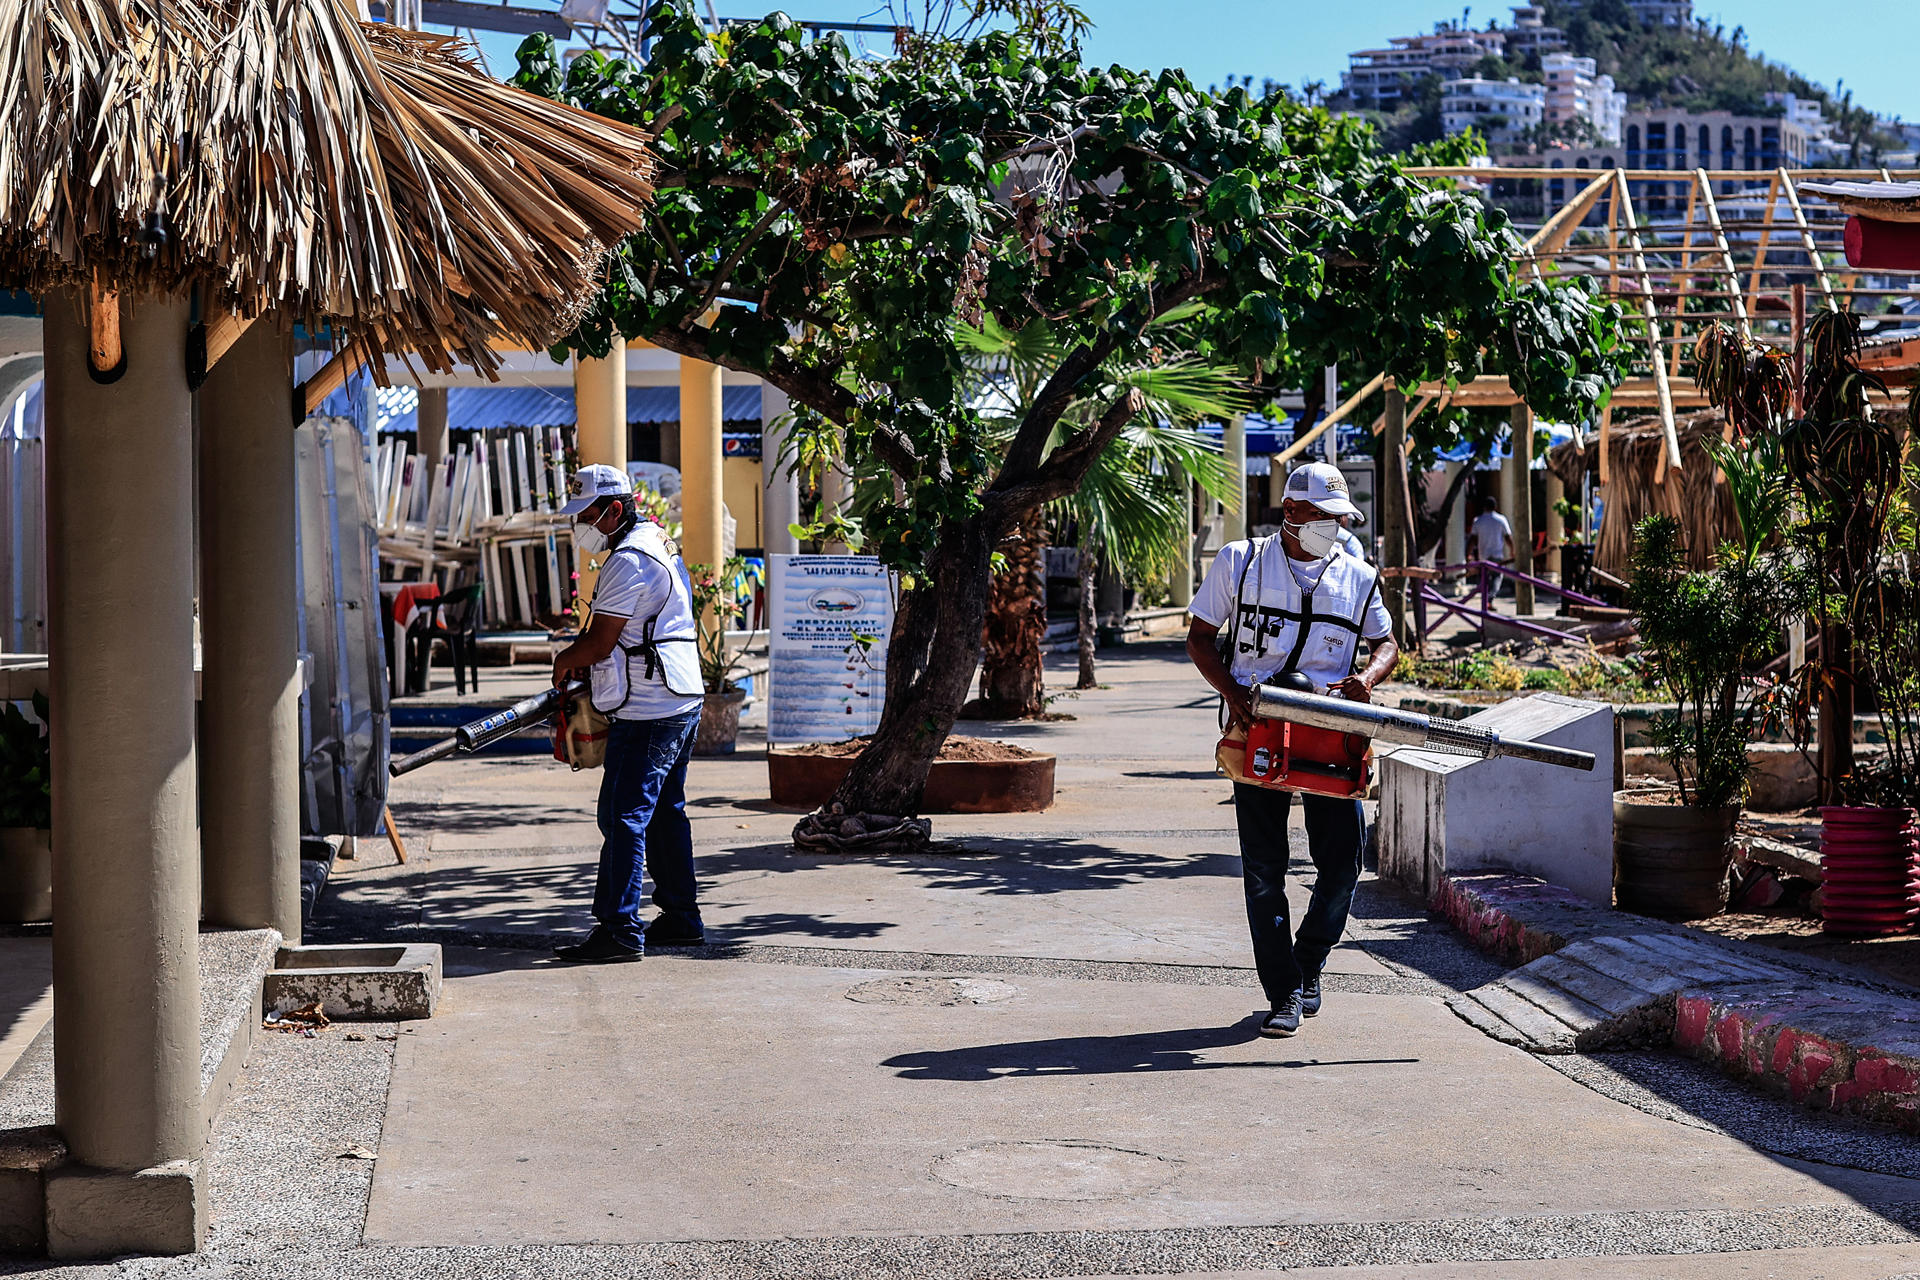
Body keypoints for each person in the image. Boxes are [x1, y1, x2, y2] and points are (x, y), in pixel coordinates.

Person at [1185, 462, 1398, 1038]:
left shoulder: (1357, 576)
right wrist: (1233, 694)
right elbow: (1200, 638)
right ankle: (1282, 991)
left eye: (1340, 519)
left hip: (1332, 733)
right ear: (1292, 514)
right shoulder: (1242, 562)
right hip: (1258, 731)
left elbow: (1387, 645)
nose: (1333, 528)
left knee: (1342, 864)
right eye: (1324, 518)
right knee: (1263, 868)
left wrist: (1368, 680)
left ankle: (1308, 962)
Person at [549, 464, 708, 963]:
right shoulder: (655, 542)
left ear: (615, 509)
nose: (583, 527)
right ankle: (682, 918)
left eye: (589, 515)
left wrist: (562, 661)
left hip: (650, 707)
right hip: (678, 697)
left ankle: (619, 929)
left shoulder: (629, 560)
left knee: (622, 816)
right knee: (663, 811)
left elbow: (599, 642)